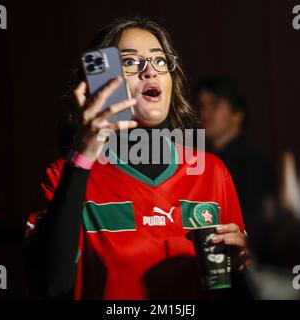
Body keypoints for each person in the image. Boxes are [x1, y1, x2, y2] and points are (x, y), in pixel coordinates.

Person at [24, 16, 248, 300]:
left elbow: (233, 288)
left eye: (160, 61)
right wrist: (82, 158)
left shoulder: (211, 172)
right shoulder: (65, 175)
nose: (150, 71)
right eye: (130, 62)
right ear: (101, 83)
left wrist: (239, 267)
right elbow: (51, 284)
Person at [196, 77, 275, 258]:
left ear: (237, 114)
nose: (205, 113)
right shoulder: (198, 163)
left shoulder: (255, 163)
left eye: (214, 105)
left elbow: (259, 225)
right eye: (201, 106)